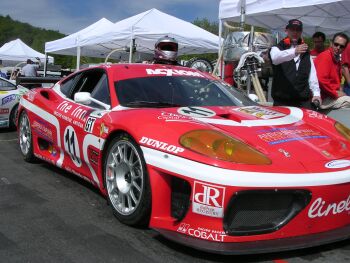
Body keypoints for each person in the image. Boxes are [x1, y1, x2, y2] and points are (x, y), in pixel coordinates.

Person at [269, 19, 321, 109]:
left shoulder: (306, 51)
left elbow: (312, 75)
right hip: (282, 101)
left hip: (303, 101)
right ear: (286, 30)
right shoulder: (276, 48)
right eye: (292, 29)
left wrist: (316, 93)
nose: (295, 32)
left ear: (301, 32)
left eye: (298, 30)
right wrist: (294, 52)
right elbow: (275, 58)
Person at [314, 32, 350, 109]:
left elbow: (337, 80)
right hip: (322, 98)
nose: (338, 47)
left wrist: (339, 91)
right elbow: (321, 80)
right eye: (336, 44)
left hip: (330, 96)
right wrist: (335, 93)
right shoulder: (325, 56)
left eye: (341, 46)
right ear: (331, 43)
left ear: (344, 48)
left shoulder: (337, 59)